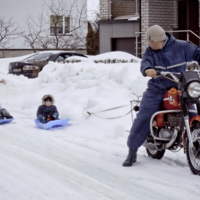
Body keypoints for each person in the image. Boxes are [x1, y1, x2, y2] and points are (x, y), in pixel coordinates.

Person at [122, 24, 200, 167]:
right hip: (157, 87)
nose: (149, 44)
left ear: (157, 40)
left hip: (180, 85)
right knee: (145, 115)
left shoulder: (182, 46)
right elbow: (145, 62)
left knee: (193, 109)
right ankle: (132, 151)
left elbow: (197, 53)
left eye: (150, 42)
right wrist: (148, 70)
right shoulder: (150, 52)